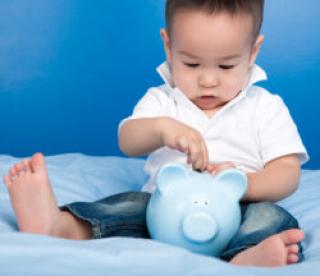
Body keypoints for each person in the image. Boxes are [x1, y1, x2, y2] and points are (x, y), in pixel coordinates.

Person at [3, 0, 308, 267]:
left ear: (253, 51)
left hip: (237, 206)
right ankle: (61, 225)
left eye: (227, 66)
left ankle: (245, 256)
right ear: (168, 46)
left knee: (271, 219)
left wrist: (246, 185)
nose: (208, 80)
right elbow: (128, 140)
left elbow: (287, 172)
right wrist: (162, 129)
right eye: (191, 63)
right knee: (125, 207)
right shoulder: (163, 100)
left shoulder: (264, 107)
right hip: (163, 207)